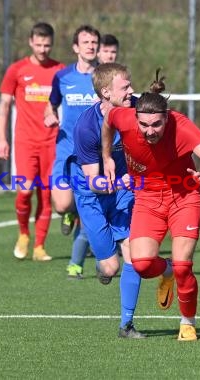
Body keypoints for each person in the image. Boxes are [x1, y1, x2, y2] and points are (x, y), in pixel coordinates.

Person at [101, 69, 200, 341]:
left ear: (167, 118)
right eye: (144, 125)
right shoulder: (123, 117)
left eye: (156, 125)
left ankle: (187, 323)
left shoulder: (181, 126)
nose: (149, 131)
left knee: (185, 266)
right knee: (143, 265)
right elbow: (108, 120)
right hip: (147, 199)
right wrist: (107, 158)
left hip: (184, 197)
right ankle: (166, 271)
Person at [72, 62, 144, 338]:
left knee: (133, 255)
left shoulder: (138, 109)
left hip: (125, 192)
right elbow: (93, 181)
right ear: (105, 92)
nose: (131, 91)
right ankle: (102, 259)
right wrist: (117, 182)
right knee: (110, 266)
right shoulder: (86, 128)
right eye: (125, 87)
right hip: (92, 196)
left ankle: (126, 324)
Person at [0, 22, 65, 261]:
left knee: (45, 194)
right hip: (25, 141)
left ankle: (39, 247)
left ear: (52, 44)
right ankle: (24, 233)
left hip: (51, 141)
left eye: (47, 45)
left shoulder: (60, 70)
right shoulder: (16, 70)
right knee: (25, 190)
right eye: (39, 44)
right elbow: (4, 106)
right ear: (30, 42)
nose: (43, 49)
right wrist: (1, 139)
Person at [44, 25, 100, 278]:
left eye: (94, 42)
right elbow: (51, 104)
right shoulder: (63, 77)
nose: (91, 46)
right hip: (66, 150)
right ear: (76, 48)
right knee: (62, 204)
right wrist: (49, 115)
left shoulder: (104, 77)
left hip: (93, 154)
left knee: (90, 205)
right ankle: (69, 214)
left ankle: (77, 262)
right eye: (85, 42)